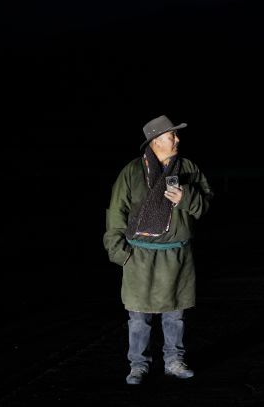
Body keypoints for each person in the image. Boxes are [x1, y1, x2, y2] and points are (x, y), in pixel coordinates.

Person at [103, 115, 213, 385]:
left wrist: (186, 198)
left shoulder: (187, 167)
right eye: (170, 136)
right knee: (139, 316)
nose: (177, 139)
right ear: (154, 141)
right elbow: (116, 213)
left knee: (175, 314)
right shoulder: (131, 172)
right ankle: (138, 365)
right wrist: (120, 253)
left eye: (175, 135)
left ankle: (174, 360)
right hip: (139, 256)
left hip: (176, 255)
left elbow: (207, 201)